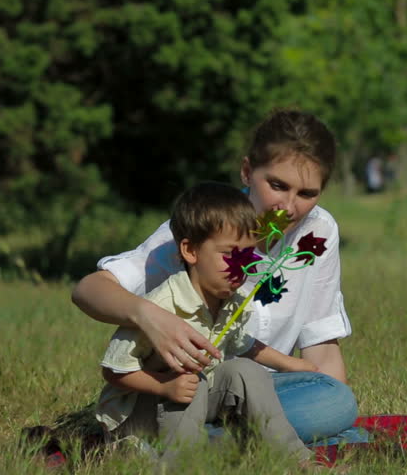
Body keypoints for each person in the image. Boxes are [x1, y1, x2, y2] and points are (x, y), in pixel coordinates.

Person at [73, 108, 361, 445]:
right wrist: (150, 317)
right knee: (314, 415)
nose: (289, 207)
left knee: (336, 402)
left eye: (307, 194)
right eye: (278, 185)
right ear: (247, 171)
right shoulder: (205, 227)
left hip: (263, 390)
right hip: (188, 392)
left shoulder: (319, 232)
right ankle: (249, 442)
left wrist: (330, 406)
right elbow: (88, 290)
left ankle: (201, 444)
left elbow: (321, 344)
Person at [96, 182, 313, 468]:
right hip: (138, 411)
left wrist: (289, 363)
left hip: (189, 401)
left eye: (247, 255)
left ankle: (297, 461)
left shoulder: (233, 300)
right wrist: (164, 386)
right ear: (190, 250)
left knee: (245, 370)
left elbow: (242, 344)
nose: (241, 267)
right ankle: (182, 464)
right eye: (229, 255)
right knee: (193, 381)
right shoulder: (162, 305)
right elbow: (113, 370)